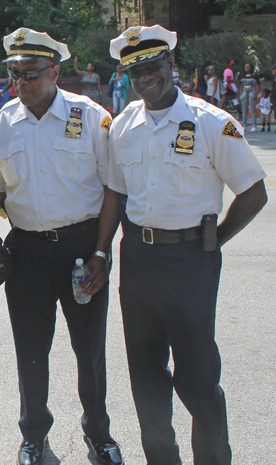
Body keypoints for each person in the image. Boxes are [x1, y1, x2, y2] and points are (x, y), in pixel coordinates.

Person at [108, 25, 267, 465]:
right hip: (138, 258)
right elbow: (117, 195)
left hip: (190, 260)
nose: (144, 79)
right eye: (134, 71)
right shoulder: (122, 127)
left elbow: (253, 191)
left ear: (171, 65)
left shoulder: (212, 122)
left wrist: (215, 239)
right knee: (145, 375)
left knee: (198, 378)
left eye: (153, 67)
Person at [0, 28, 123, 465]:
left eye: (30, 74)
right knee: (30, 349)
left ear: (55, 71)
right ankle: (33, 437)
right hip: (26, 251)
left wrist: (101, 252)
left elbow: (112, 189)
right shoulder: (2, 124)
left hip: (83, 249)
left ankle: (98, 434)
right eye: (14, 74)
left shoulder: (92, 117)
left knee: (90, 349)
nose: (20, 83)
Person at [239, 62, 261, 132]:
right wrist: (241, 93)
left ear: (251, 68)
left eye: (247, 67)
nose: (246, 68)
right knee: (244, 109)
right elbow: (241, 85)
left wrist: (256, 93)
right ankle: (244, 125)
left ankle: (254, 125)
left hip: (252, 91)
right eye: (245, 67)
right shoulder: (243, 75)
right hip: (245, 92)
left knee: (252, 109)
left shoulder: (255, 76)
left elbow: (259, 85)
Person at [270, 64, 276, 132]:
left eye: (273, 69)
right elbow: (272, 87)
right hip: (274, 97)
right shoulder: (273, 79)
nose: (272, 71)